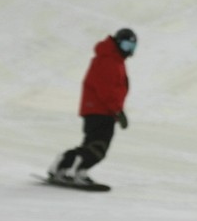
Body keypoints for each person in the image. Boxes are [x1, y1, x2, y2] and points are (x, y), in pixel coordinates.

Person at [47, 28, 137, 185]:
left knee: (92, 144)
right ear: (117, 42)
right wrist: (117, 111)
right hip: (101, 111)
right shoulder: (109, 60)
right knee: (98, 146)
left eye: (131, 47)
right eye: (125, 46)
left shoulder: (113, 60)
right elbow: (107, 90)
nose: (128, 51)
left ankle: (65, 165)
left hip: (99, 109)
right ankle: (75, 170)